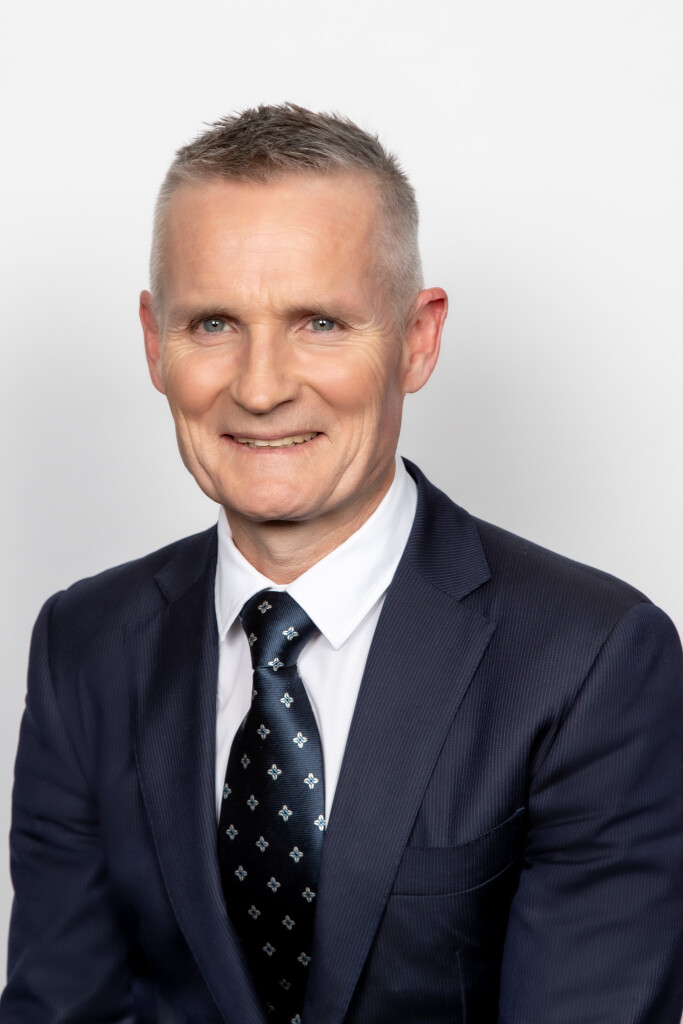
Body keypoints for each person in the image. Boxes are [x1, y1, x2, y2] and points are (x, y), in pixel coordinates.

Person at [1, 103, 682, 1024]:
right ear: (155, 342)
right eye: (213, 323)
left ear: (417, 338)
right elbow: (61, 1006)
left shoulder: (589, 659)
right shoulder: (84, 644)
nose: (260, 387)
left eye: (319, 322)